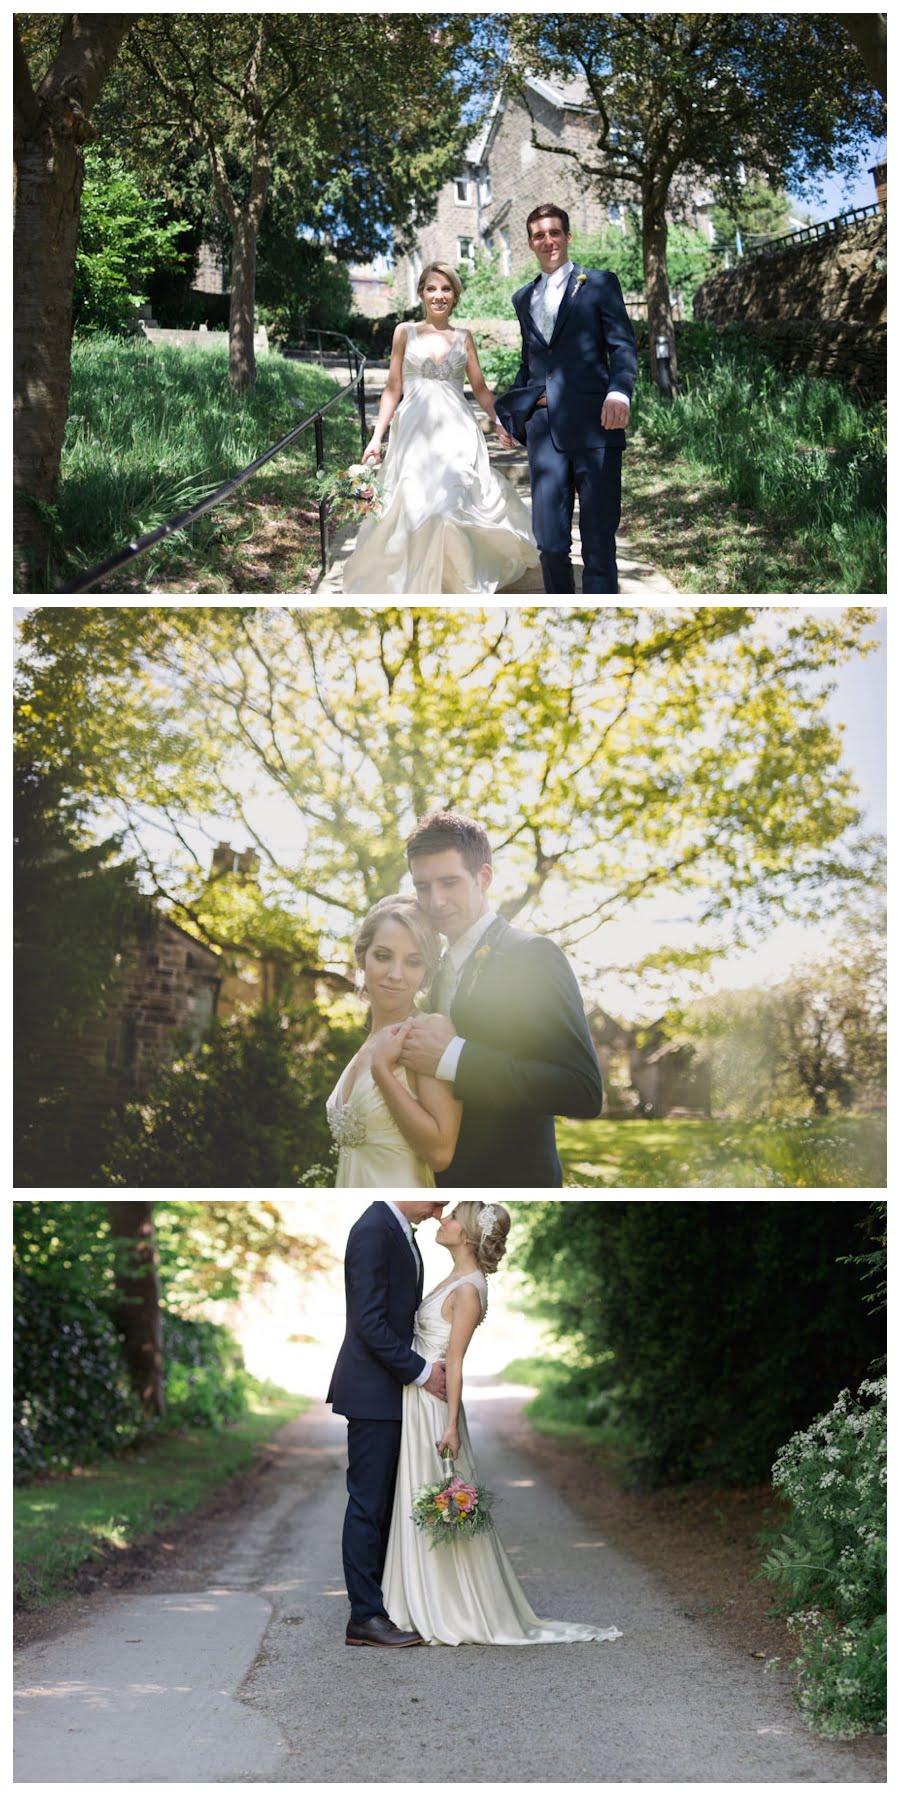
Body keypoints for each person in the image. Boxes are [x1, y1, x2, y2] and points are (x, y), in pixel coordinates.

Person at [382, 1200, 623, 1647]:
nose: (443, 1219)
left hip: (435, 1406)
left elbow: (454, 1362)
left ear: (468, 1234)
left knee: (436, 1498)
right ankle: (415, 1599)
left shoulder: (470, 1289)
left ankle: (452, 1606)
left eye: (452, 1217)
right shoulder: (454, 1277)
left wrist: (451, 1426)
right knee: (415, 1496)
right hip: (416, 1398)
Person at [398, 811, 603, 1187]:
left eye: (449, 883)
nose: (435, 900)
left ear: (484, 878)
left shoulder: (532, 955)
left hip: (514, 1178)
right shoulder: (437, 968)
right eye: (422, 886)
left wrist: (453, 1058)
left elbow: (582, 1090)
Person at [341, 261, 538, 594]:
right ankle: (420, 584)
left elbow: (480, 389)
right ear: (421, 293)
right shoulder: (404, 332)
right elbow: (392, 387)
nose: (439, 295)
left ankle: (462, 585)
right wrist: (377, 437)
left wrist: (501, 422)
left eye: (446, 289)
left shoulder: (464, 338)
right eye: (432, 288)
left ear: (455, 295)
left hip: (457, 434)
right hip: (414, 435)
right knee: (418, 508)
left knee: (451, 507)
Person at [495, 204, 638, 594]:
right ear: (530, 243)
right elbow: (530, 365)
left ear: (567, 237)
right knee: (550, 543)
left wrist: (619, 392)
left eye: (554, 232)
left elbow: (622, 347)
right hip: (545, 435)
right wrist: (510, 415)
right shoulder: (523, 298)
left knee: (598, 542)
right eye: (539, 235)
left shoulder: (600, 283)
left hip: (596, 427)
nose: (547, 241)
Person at [328, 1200, 449, 1648]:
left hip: (391, 1392)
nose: (441, 1208)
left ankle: (384, 1606)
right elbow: (369, 1322)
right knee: (367, 1505)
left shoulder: (396, 1227)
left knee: (384, 1505)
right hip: (372, 1391)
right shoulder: (374, 1229)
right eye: (436, 1199)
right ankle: (364, 1617)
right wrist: (421, 1372)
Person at [326, 894, 461, 1187]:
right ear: (363, 957)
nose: (395, 975)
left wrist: (383, 1072)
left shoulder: (430, 1032)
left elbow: (440, 1153)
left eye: (413, 962)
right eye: (383, 956)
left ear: (426, 971)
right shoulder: (370, 1042)